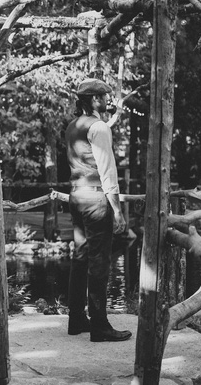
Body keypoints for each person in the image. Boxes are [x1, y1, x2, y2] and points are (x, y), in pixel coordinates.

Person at [64, 78, 132, 342]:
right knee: (99, 261)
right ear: (94, 100)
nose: (108, 99)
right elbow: (107, 172)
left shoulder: (72, 126)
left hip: (76, 197)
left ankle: (76, 319)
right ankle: (100, 326)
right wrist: (117, 209)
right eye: (105, 95)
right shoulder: (100, 127)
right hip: (95, 201)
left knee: (80, 257)